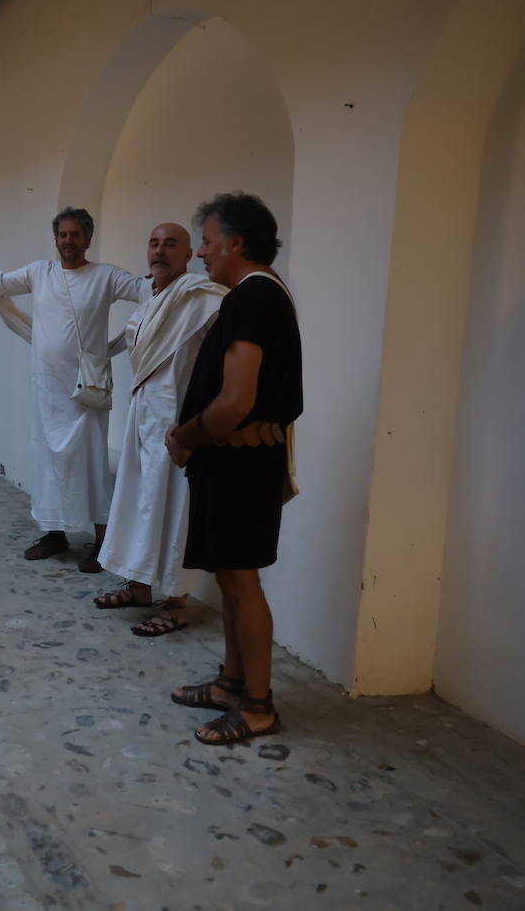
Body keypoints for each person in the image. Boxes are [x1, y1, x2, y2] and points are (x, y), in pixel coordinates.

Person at [165, 192, 302, 745]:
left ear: (236, 242)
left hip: (242, 465)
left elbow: (235, 402)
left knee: (243, 583)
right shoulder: (256, 296)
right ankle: (230, 684)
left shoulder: (252, 298)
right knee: (230, 578)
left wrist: (186, 437)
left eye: (206, 240)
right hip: (235, 463)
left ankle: (259, 705)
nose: (201, 252)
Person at [0, 208, 149, 571]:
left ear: (88, 239)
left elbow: (146, 292)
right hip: (47, 388)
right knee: (48, 461)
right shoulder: (39, 272)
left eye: (76, 235)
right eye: (63, 235)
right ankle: (54, 532)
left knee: (91, 463)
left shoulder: (105, 276)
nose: (68, 241)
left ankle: (103, 540)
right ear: (56, 239)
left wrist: (168, 277)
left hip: (87, 389)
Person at [93, 224, 226, 636]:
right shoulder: (150, 299)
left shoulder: (202, 299)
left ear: (188, 254)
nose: (160, 251)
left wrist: (201, 423)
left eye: (171, 244)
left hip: (179, 422)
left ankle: (176, 602)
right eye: (153, 243)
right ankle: (139, 586)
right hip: (143, 414)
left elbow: (222, 360)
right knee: (139, 500)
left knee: (172, 505)